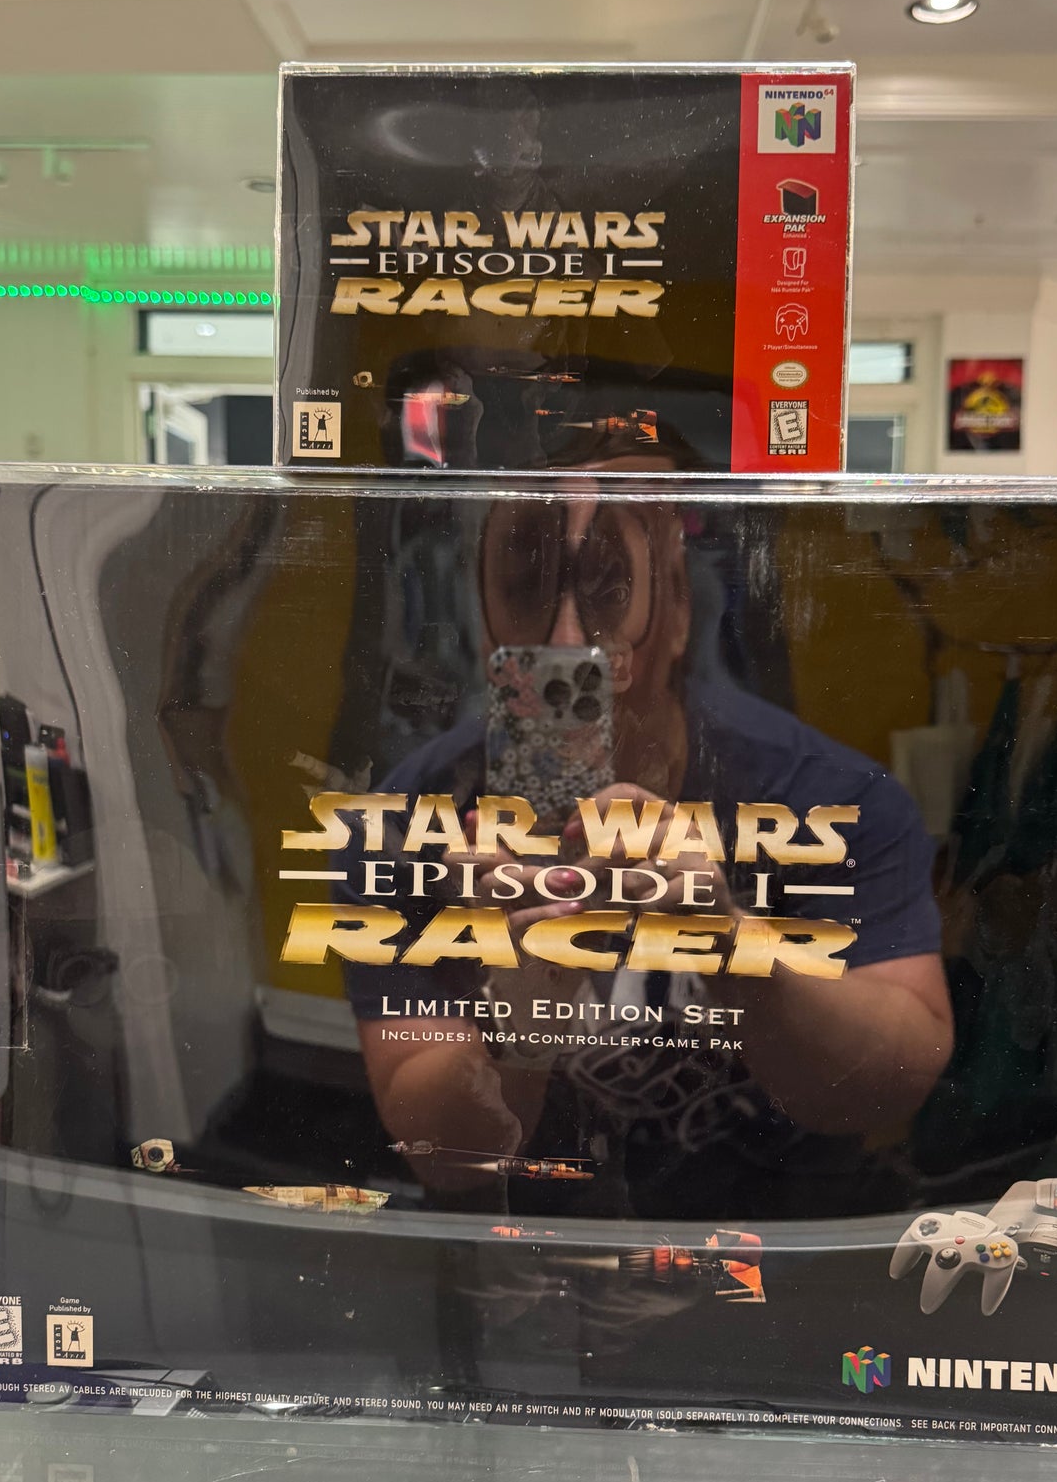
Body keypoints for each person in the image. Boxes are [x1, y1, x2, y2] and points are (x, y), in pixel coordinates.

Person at [340, 478, 953, 1222]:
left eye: (608, 590)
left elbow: (893, 1085)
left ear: (678, 615)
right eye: (525, 590)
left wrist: (728, 940)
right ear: (485, 625)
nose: (566, 644)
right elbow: (444, 1158)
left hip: (774, 1232)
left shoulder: (824, 797)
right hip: (526, 1242)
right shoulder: (407, 825)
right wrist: (523, 1016)